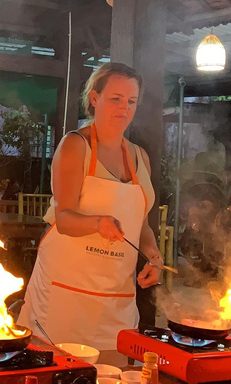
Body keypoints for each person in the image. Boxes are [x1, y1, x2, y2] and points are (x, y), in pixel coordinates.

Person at [18, 62, 162, 351]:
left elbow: (141, 224)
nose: (124, 108)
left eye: (131, 101)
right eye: (115, 99)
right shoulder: (74, 146)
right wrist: (97, 224)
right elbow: (65, 218)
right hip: (66, 295)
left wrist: (153, 256)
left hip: (116, 299)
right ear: (95, 99)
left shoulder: (140, 157)